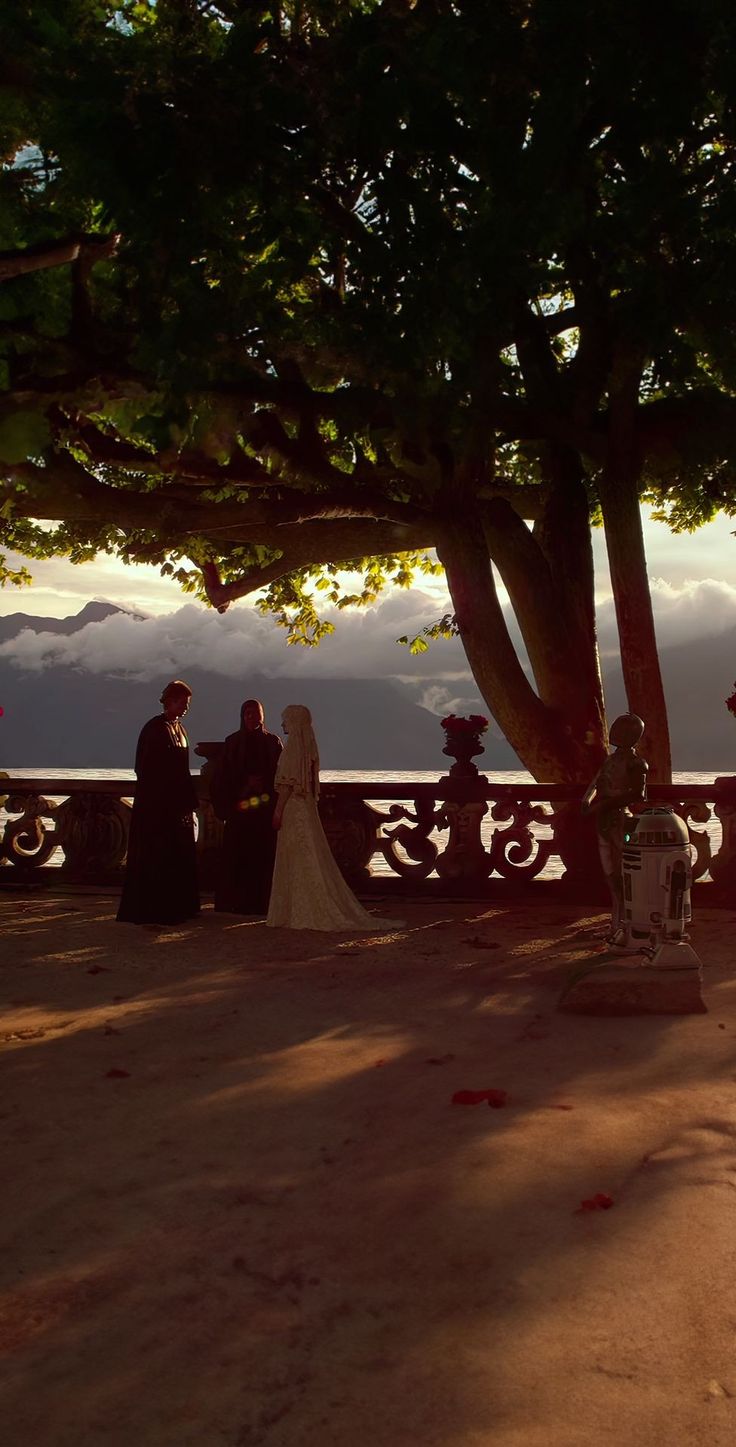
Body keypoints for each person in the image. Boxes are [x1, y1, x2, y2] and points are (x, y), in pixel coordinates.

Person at [266, 703, 399, 932]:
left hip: (292, 810)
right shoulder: (309, 749)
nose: (282, 723)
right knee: (310, 857)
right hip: (306, 810)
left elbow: (287, 786)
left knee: (297, 857)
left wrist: (277, 812)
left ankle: (295, 909)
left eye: (285, 719)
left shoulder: (291, 750)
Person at [117, 680, 200, 926]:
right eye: (182, 703)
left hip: (177, 805)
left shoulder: (180, 730)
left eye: (187, 704)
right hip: (157, 806)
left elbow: (182, 770)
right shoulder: (154, 729)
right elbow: (145, 769)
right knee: (158, 855)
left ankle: (178, 906)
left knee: (177, 855)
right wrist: (164, 798)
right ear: (169, 701)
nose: (185, 708)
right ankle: (155, 909)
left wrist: (186, 801)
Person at [210, 699, 283, 915]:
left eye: (256, 713)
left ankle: (262, 903)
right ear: (243, 716)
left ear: (263, 715)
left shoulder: (273, 743)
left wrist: (264, 786)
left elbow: (281, 776)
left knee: (262, 858)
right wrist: (245, 785)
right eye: (248, 713)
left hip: (263, 811)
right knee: (237, 858)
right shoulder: (232, 743)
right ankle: (235, 903)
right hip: (239, 811)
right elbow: (221, 778)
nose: (252, 717)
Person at [581, 713, 648, 945]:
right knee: (610, 873)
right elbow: (596, 782)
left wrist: (604, 804)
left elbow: (638, 794)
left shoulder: (636, 763)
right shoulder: (610, 760)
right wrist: (587, 801)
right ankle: (615, 923)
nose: (615, 733)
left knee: (622, 874)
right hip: (604, 819)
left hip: (620, 819)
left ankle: (625, 924)